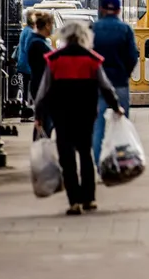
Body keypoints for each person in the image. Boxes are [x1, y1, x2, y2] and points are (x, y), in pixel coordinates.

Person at [33, 21, 121, 216]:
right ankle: (89, 198)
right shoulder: (92, 59)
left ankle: (74, 202)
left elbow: (43, 91)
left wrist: (39, 115)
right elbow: (106, 87)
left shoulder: (54, 59)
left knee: (67, 157)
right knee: (85, 153)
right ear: (84, 37)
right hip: (86, 114)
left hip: (61, 115)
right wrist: (116, 106)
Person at [91, 0, 139, 167]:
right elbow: (133, 56)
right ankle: (120, 163)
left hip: (97, 84)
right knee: (120, 123)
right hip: (119, 82)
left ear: (102, 9)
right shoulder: (125, 29)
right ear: (119, 10)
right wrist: (125, 72)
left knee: (98, 127)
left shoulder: (93, 29)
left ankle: (99, 164)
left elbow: (89, 55)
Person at [26, 13, 54, 140]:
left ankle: (42, 145)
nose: (52, 28)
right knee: (44, 120)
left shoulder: (37, 41)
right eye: (51, 24)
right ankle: (42, 147)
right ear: (47, 25)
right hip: (41, 85)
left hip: (39, 84)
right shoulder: (38, 44)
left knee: (43, 120)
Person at [15, 11, 37, 119]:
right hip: (29, 64)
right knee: (32, 87)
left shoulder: (25, 30)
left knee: (26, 87)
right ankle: (28, 110)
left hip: (23, 63)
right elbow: (29, 47)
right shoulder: (30, 32)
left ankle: (25, 109)